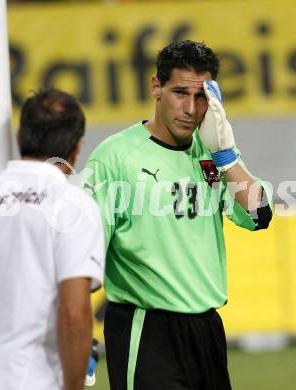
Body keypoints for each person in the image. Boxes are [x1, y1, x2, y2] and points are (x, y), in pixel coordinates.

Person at [84, 40, 272, 390]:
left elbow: (259, 215)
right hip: (146, 329)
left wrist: (227, 156)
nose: (190, 108)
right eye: (179, 92)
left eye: (201, 97)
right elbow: (84, 250)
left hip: (207, 330)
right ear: (156, 87)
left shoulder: (214, 152)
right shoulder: (115, 157)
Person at [0, 88, 105, 390]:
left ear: (19, 137)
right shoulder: (72, 206)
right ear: (77, 148)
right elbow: (74, 312)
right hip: (29, 378)